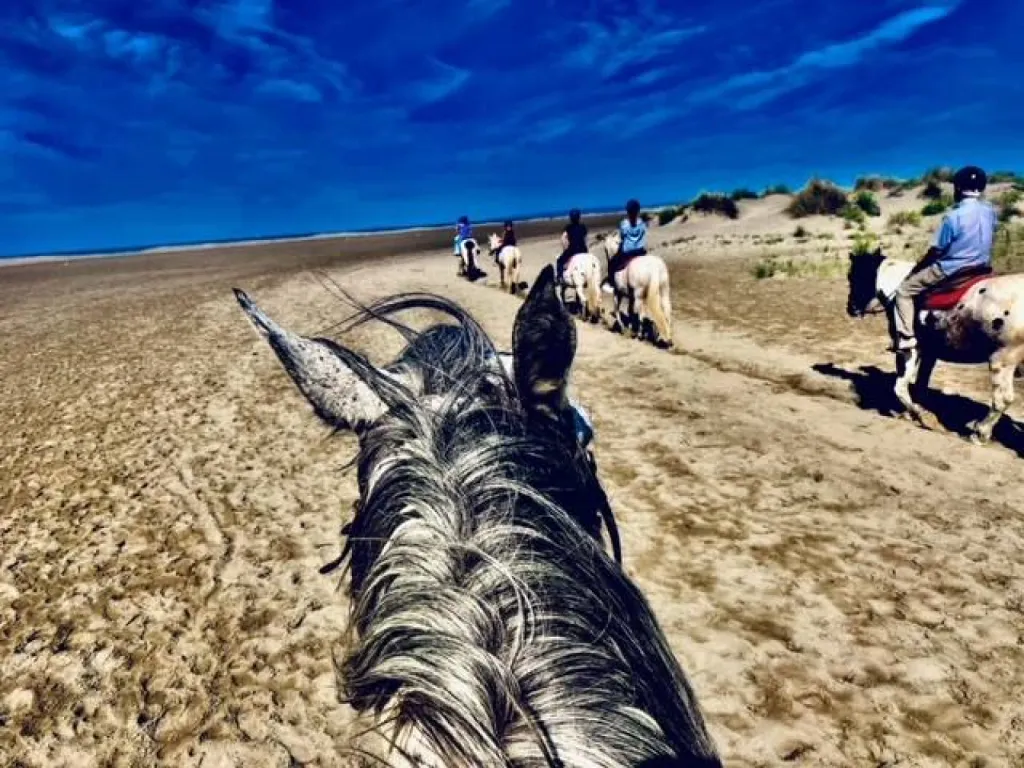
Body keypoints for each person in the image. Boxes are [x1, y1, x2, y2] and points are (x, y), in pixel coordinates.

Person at [891, 165, 997, 352]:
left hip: (953, 268)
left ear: (957, 188)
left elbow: (937, 250)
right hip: (982, 267)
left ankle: (906, 337)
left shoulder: (953, 216)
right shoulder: (990, 211)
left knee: (904, 291)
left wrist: (918, 267)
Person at [602, 198, 647, 291]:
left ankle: (612, 283)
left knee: (612, 264)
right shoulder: (642, 222)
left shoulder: (624, 223)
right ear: (638, 210)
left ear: (628, 211)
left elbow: (622, 236)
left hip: (628, 253)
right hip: (641, 251)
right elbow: (643, 234)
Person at [556, 208, 589, 283]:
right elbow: (585, 239)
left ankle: (559, 277)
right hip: (583, 250)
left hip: (572, 250)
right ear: (579, 217)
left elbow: (564, 240)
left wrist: (565, 249)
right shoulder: (583, 227)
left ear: (571, 218)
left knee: (559, 261)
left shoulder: (568, 228)